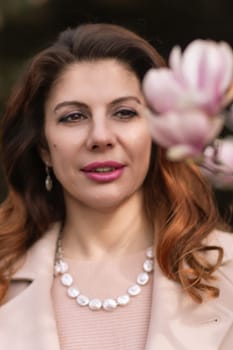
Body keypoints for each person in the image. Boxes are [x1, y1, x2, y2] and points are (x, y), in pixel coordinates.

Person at [0, 23, 233, 350]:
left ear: (159, 130)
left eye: (124, 113)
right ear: (43, 147)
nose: (100, 137)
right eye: (73, 117)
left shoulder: (228, 270)